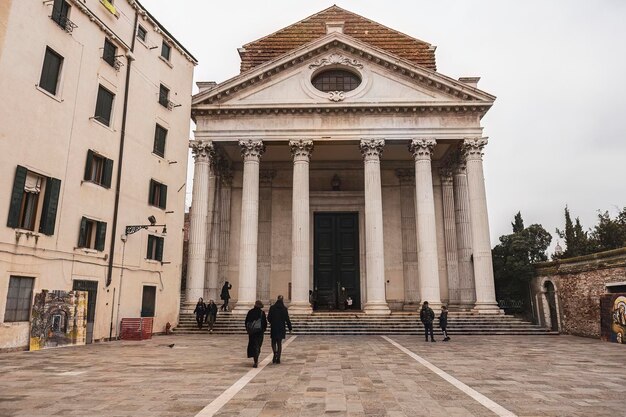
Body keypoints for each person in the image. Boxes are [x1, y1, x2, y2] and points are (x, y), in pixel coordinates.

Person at [267, 295, 292, 364]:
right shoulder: (284, 308)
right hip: (281, 327)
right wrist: (290, 328)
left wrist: (272, 322)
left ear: (277, 299)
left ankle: (275, 352)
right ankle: (278, 358)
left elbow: (269, 318)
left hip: (274, 327)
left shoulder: (272, 308)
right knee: (279, 343)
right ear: (282, 299)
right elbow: (287, 319)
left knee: (273, 342)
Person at [245, 300, 267, 368]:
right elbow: (264, 323)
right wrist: (263, 329)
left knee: (253, 345)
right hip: (259, 332)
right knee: (258, 345)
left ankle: (255, 360)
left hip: (252, 332)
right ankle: (256, 359)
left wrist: (248, 329)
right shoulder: (261, 313)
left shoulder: (250, 312)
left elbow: (246, 321)